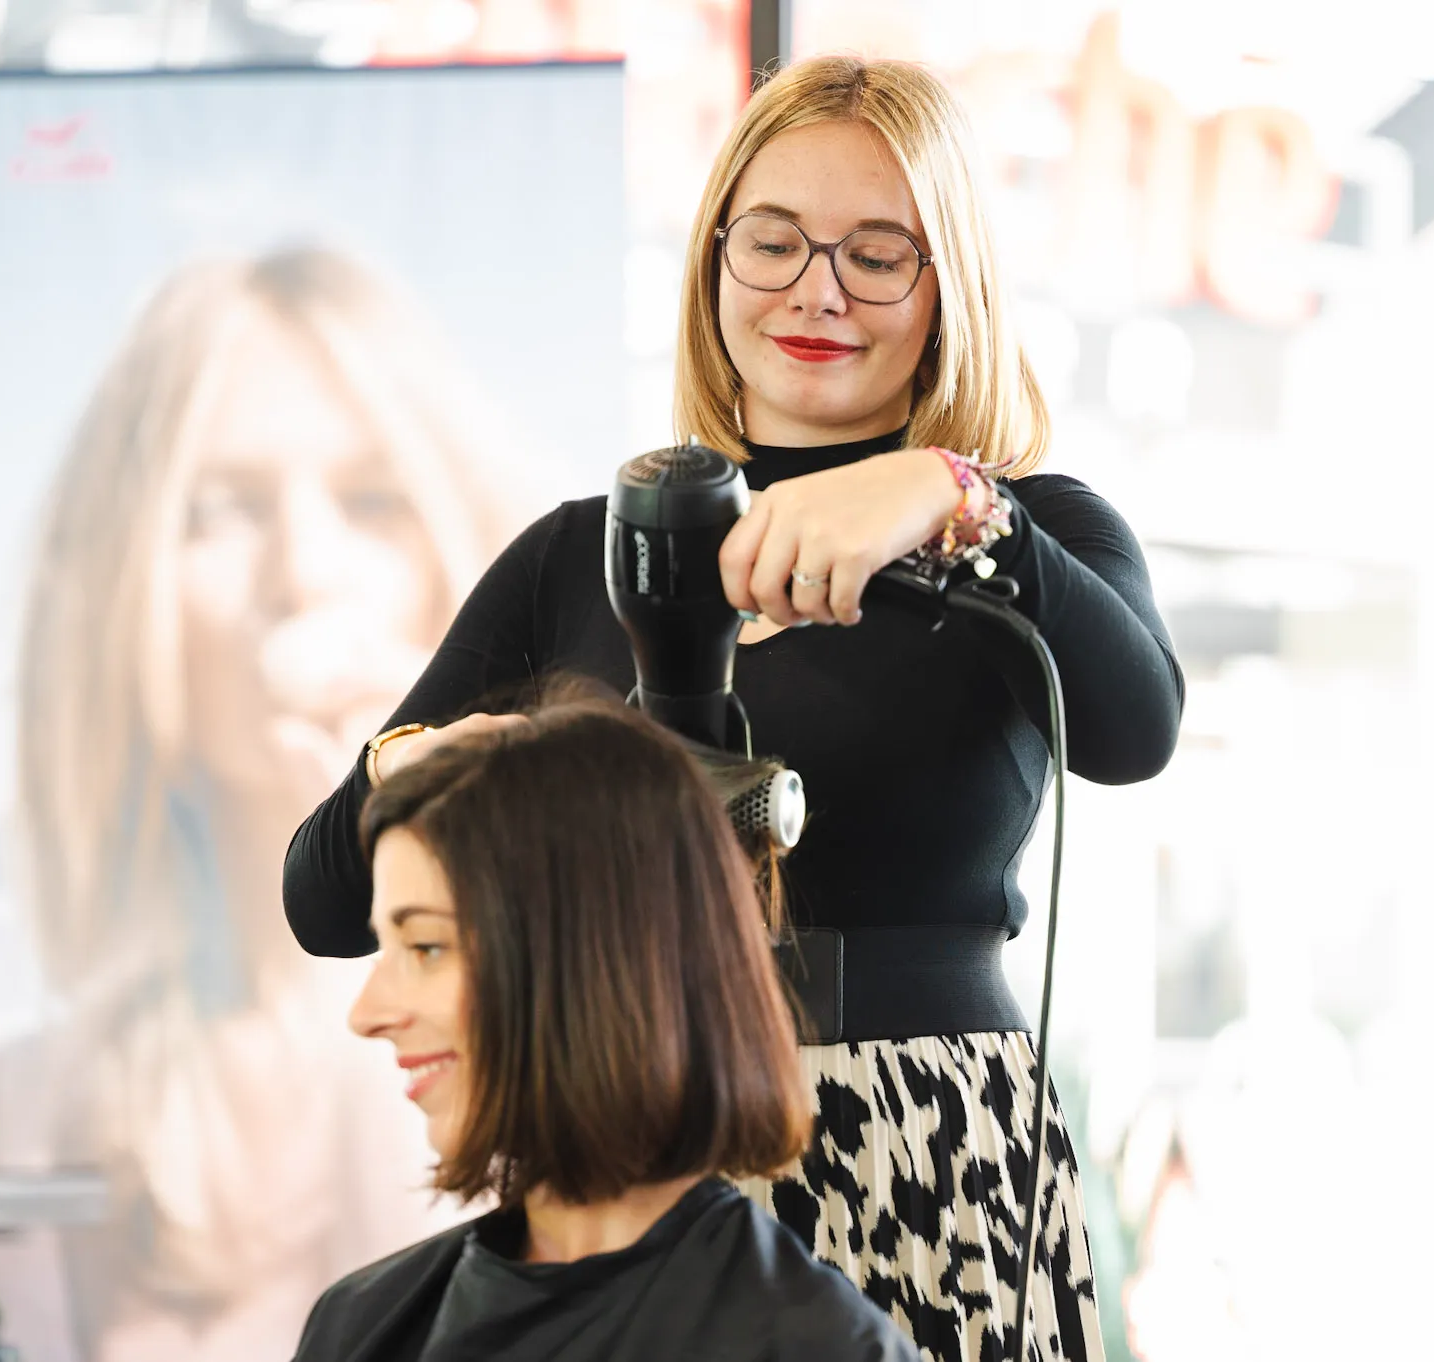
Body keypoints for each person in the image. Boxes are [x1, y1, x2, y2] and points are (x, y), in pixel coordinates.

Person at [285, 56, 1184, 1362]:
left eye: (880, 254)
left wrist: (956, 497)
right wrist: (438, 758)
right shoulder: (579, 557)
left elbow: (1135, 728)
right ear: (711, 262)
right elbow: (323, 900)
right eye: (773, 242)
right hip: (633, 1162)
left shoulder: (1024, 535)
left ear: (950, 293)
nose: (817, 290)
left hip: (932, 1154)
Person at [0, 247, 534, 1362]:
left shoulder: (569, 1040)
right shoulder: (33, 1103)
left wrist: (392, 846)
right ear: (121, 581)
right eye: (225, 509)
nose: (303, 572)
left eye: (371, 501)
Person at [295, 693, 919, 1362]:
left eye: (426, 948)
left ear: (593, 959)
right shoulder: (361, 1326)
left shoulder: (818, 1349)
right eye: (385, 946)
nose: (368, 1014)